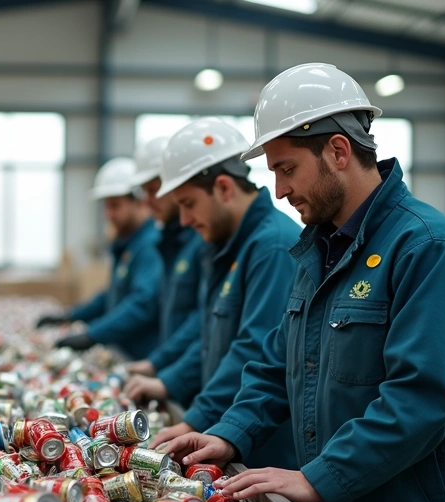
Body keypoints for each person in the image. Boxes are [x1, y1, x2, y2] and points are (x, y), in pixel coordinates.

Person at [166, 64, 445, 502]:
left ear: (339, 151)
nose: (278, 190)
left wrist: (318, 478)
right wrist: (229, 432)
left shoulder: (427, 249)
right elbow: (278, 360)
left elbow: (418, 403)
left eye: (286, 169)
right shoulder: (320, 251)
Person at [128, 119, 300, 471]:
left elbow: (254, 347)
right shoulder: (225, 247)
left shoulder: (272, 246)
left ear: (223, 188)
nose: (186, 220)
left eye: (189, 204)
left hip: (263, 446)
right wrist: (169, 381)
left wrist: (197, 417)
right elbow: (208, 336)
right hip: (229, 430)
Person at [38, 157, 162, 360]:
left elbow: (142, 304)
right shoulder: (128, 245)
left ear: (138, 202)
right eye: (106, 207)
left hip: (143, 357)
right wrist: (70, 316)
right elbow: (112, 295)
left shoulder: (149, 245)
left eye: (115, 206)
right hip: (126, 352)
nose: (108, 214)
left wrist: (92, 335)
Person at [122, 135, 206, 407]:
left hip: (197, 387)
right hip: (185, 381)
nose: (147, 201)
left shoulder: (201, 240)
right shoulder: (171, 242)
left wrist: (167, 377)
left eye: (153, 189)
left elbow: (210, 328)